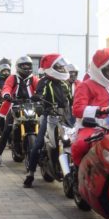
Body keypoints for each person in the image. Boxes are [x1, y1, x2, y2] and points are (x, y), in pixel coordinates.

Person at [23, 54, 72, 187]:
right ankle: (30, 174)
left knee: (73, 141)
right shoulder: (44, 81)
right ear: (51, 67)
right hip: (49, 116)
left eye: (62, 66)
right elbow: (40, 94)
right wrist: (38, 99)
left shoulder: (64, 83)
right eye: (59, 66)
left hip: (64, 117)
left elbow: (71, 100)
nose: (62, 68)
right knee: (38, 144)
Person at [0, 56, 39, 168]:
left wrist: (41, 94)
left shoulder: (33, 78)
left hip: (30, 106)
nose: (26, 67)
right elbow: (7, 87)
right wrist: (7, 95)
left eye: (28, 65)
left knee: (41, 125)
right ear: (18, 67)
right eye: (24, 66)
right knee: (7, 130)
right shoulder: (13, 78)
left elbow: (40, 87)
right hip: (14, 106)